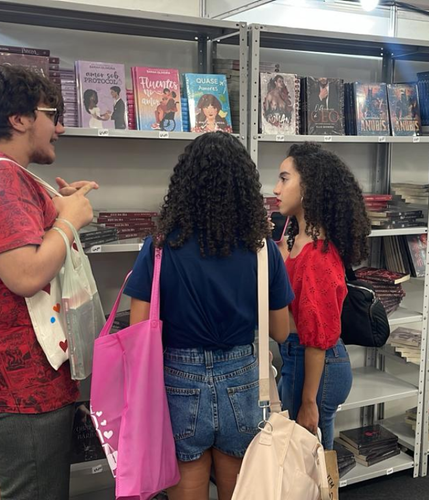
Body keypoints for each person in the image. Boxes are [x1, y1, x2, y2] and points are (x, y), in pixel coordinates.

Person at [0, 64, 98, 500]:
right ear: (20, 119)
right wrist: (68, 221)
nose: (61, 127)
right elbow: (25, 274)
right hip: (15, 375)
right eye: (53, 113)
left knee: (16, 484)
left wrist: (58, 210)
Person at [124, 132, 293, 500]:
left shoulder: (159, 246)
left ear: (184, 183)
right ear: (245, 187)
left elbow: (138, 329)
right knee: (242, 488)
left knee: (187, 482)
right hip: (243, 378)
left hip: (178, 379)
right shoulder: (262, 249)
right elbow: (281, 330)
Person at [272, 142, 370, 450]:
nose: (276, 188)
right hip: (300, 357)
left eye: (284, 178)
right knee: (302, 457)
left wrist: (309, 401)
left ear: (309, 187)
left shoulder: (317, 256)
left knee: (311, 464)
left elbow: (316, 337)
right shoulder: (298, 239)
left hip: (315, 363)